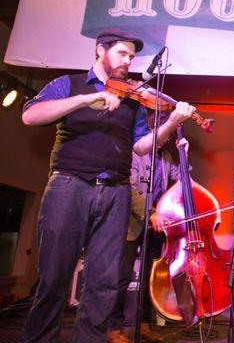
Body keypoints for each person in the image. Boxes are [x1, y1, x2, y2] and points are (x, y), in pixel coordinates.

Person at [20, 28, 194, 342]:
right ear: (101, 50)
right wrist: (89, 98)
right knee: (54, 279)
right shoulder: (69, 85)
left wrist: (171, 122)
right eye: (122, 53)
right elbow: (32, 116)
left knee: (103, 284)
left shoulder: (132, 99)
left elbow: (142, 146)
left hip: (116, 192)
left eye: (131, 56)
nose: (128, 61)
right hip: (69, 186)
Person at [107, 112, 189, 343]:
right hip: (132, 221)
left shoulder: (167, 155)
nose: (165, 139)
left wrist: (184, 153)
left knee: (148, 277)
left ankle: (143, 323)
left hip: (157, 226)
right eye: (164, 134)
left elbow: (183, 178)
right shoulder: (135, 151)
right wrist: (151, 212)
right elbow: (129, 188)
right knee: (122, 277)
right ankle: (114, 328)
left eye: (169, 135)